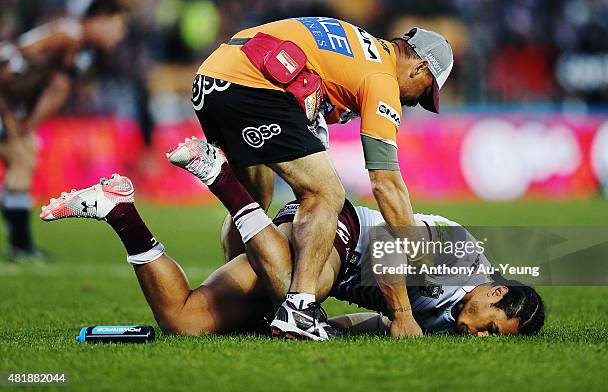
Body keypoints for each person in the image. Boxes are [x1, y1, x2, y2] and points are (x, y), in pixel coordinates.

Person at [39, 138, 544, 338]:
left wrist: (335, 327)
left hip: (323, 271)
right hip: (336, 233)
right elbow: (391, 244)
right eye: (491, 329)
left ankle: (119, 210)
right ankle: (223, 179)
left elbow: (371, 319)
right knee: (293, 292)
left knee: (185, 323)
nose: (478, 337)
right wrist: (405, 317)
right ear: (496, 292)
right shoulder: (460, 255)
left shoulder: (451, 321)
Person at [192, 17, 453, 338]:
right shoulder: (382, 79)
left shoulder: (358, 47)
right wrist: (417, 252)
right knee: (326, 193)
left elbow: (315, 100)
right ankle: (300, 309)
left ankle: (238, 303)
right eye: (424, 93)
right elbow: (385, 182)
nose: (413, 102)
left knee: (253, 200)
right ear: (420, 68)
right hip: (255, 85)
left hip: (213, 77)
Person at [0, 0, 127, 261]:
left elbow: (55, 87)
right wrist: (13, 121)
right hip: (5, 102)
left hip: (12, 106)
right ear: (100, 19)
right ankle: (20, 246)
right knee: (23, 158)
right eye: (118, 25)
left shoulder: (79, 49)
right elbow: (10, 66)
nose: (120, 34)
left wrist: (26, 123)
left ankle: (20, 244)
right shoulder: (67, 36)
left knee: (24, 159)